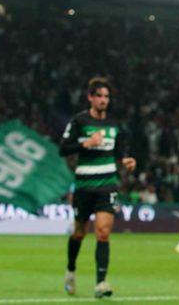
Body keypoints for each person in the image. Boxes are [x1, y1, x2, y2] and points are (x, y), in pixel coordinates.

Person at [59, 77, 136, 299]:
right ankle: (71, 270)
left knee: (103, 233)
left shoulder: (113, 125)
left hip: (107, 184)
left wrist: (127, 160)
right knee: (79, 233)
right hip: (84, 185)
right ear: (90, 98)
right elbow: (63, 149)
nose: (103, 100)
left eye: (106, 97)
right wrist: (86, 144)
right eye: (99, 96)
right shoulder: (79, 121)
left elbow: (120, 151)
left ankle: (101, 282)